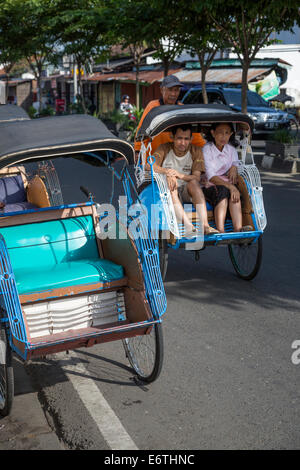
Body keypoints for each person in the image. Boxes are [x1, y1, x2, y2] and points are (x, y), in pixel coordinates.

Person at [151, 124, 219, 237]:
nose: (182, 143)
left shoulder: (196, 150)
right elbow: (150, 166)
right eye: (179, 138)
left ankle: (205, 226)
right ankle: (189, 227)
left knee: (193, 183)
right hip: (168, 189)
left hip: (186, 189)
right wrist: (167, 172)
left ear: (191, 139)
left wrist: (179, 175)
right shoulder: (164, 148)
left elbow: (196, 177)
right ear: (172, 137)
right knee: (171, 185)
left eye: (186, 139)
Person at [134, 75, 206, 155]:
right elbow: (142, 130)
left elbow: (195, 135)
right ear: (162, 90)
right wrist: (137, 150)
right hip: (153, 158)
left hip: (175, 158)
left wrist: (205, 149)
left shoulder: (182, 109)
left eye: (176, 90)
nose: (173, 94)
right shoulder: (152, 106)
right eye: (170, 90)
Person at [202, 122, 252, 233]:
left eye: (227, 133)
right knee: (224, 191)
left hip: (226, 183)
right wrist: (231, 187)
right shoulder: (207, 149)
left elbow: (235, 163)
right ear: (213, 133)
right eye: (220, 133)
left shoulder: (231, 149)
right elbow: (211, 176)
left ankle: (238, 228)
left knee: (235, 194)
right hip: (210, 184)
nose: (223, 136)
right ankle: (220, 230)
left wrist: (234, 167)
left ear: (231, 134)